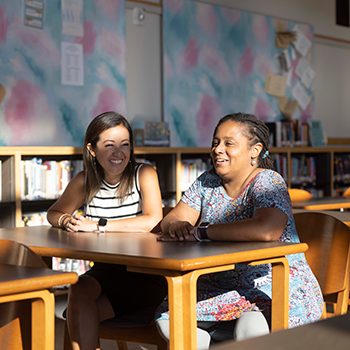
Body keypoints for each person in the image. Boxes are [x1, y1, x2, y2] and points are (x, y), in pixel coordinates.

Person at [156, 113, 324, 348]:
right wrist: (177, 226)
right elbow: (172, 219)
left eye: (228, 143)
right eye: (215, 142)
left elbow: (267, 229)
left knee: (250, 327)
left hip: (274, 283)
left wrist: (200, 232)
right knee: (169, 318)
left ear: (254, 150)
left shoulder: (268, 181)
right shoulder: (207, 182)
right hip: (220, 285)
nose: (217, 150)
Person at [47, 111, 167, 350]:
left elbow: (153, 220)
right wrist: (65, 221)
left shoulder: (144, 174)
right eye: (109, 145)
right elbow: (53, 213)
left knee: (78, 315)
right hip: (105, 271)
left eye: (125, 145)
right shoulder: (84, 181)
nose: (119, 153)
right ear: (92, 150)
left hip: (146, 275)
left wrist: (98, 226)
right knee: (78, 290)